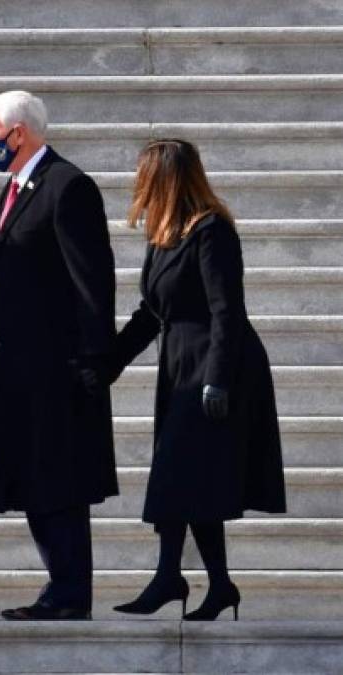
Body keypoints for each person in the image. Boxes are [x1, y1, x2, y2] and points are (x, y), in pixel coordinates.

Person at [111, 139, 286, 621]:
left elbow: (226, 311)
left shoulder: (212, 231)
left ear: (165, 178)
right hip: (180, 364)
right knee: (193, 480)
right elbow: (152, 313)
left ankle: (170, 578)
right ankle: (220, 586)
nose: (137, 184)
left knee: (176, 473)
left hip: (216, 365)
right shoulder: (164, 235)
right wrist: (109, 364)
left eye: (144, 175)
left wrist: (218, 380)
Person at [0, 91, 119, 621]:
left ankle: (69, 592)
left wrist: (93, 358)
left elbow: (92, 281)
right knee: (31, 483)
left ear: (19, 133)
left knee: (59, 483)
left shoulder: (67, 186)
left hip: (57, 371)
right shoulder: (14, 187)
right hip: (19, 369)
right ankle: (59, 586)